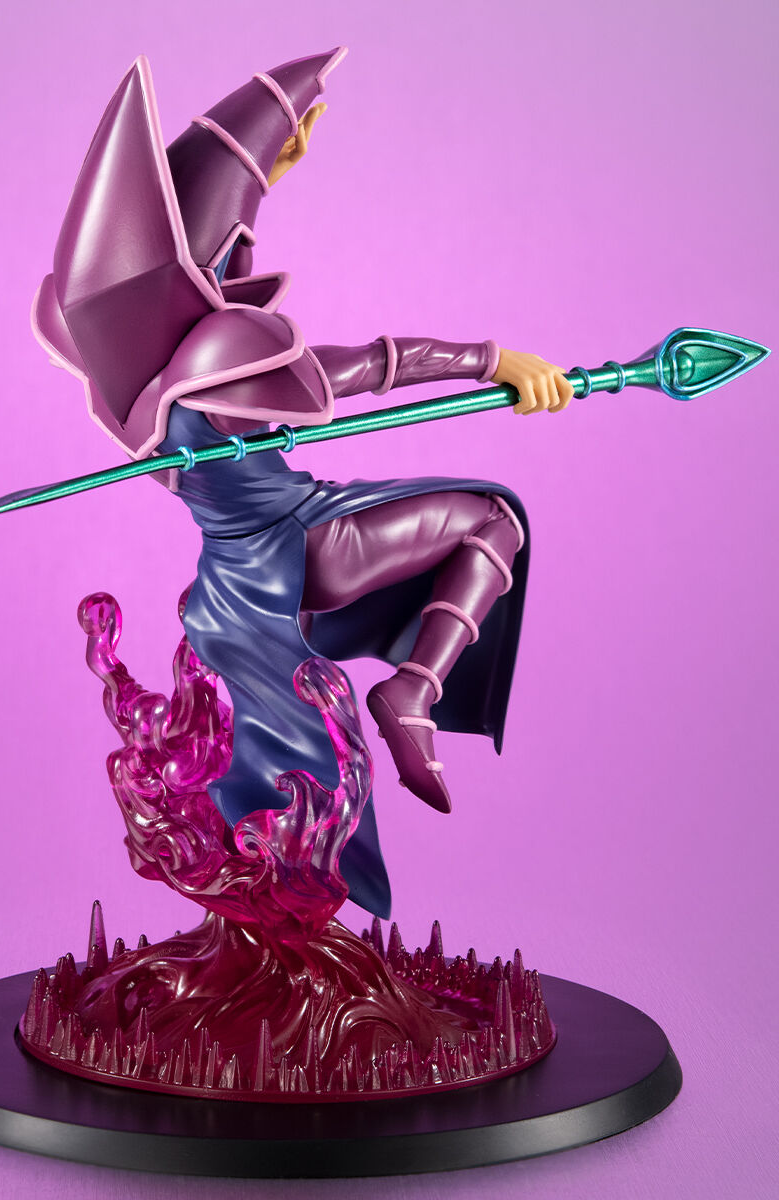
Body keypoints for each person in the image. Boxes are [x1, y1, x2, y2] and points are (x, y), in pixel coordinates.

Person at [31, 50, 573, 917]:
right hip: (304, 542)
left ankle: (323, 797)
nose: (236, 269)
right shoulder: (216, 362)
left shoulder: (134, 395)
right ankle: (412, 691)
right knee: (492, 521)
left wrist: (265, 176)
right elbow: (374, 366)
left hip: (240, 575)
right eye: (222, 260)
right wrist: (493, 360)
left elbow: (220, 276)